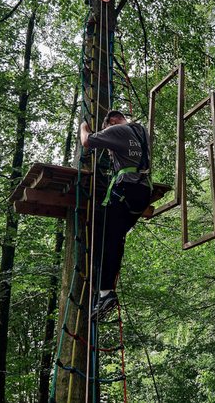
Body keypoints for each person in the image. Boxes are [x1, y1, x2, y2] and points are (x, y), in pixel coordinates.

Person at [79, 110, 152, 321]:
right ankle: (106, 290)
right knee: (116, 238)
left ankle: (106, 292)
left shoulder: (117, 129)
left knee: (106, 240)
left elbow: (87, 141)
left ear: (111, 121)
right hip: (142, 191)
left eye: (106, 128)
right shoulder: (140, 131)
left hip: (126, 189)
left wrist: (84, 127)